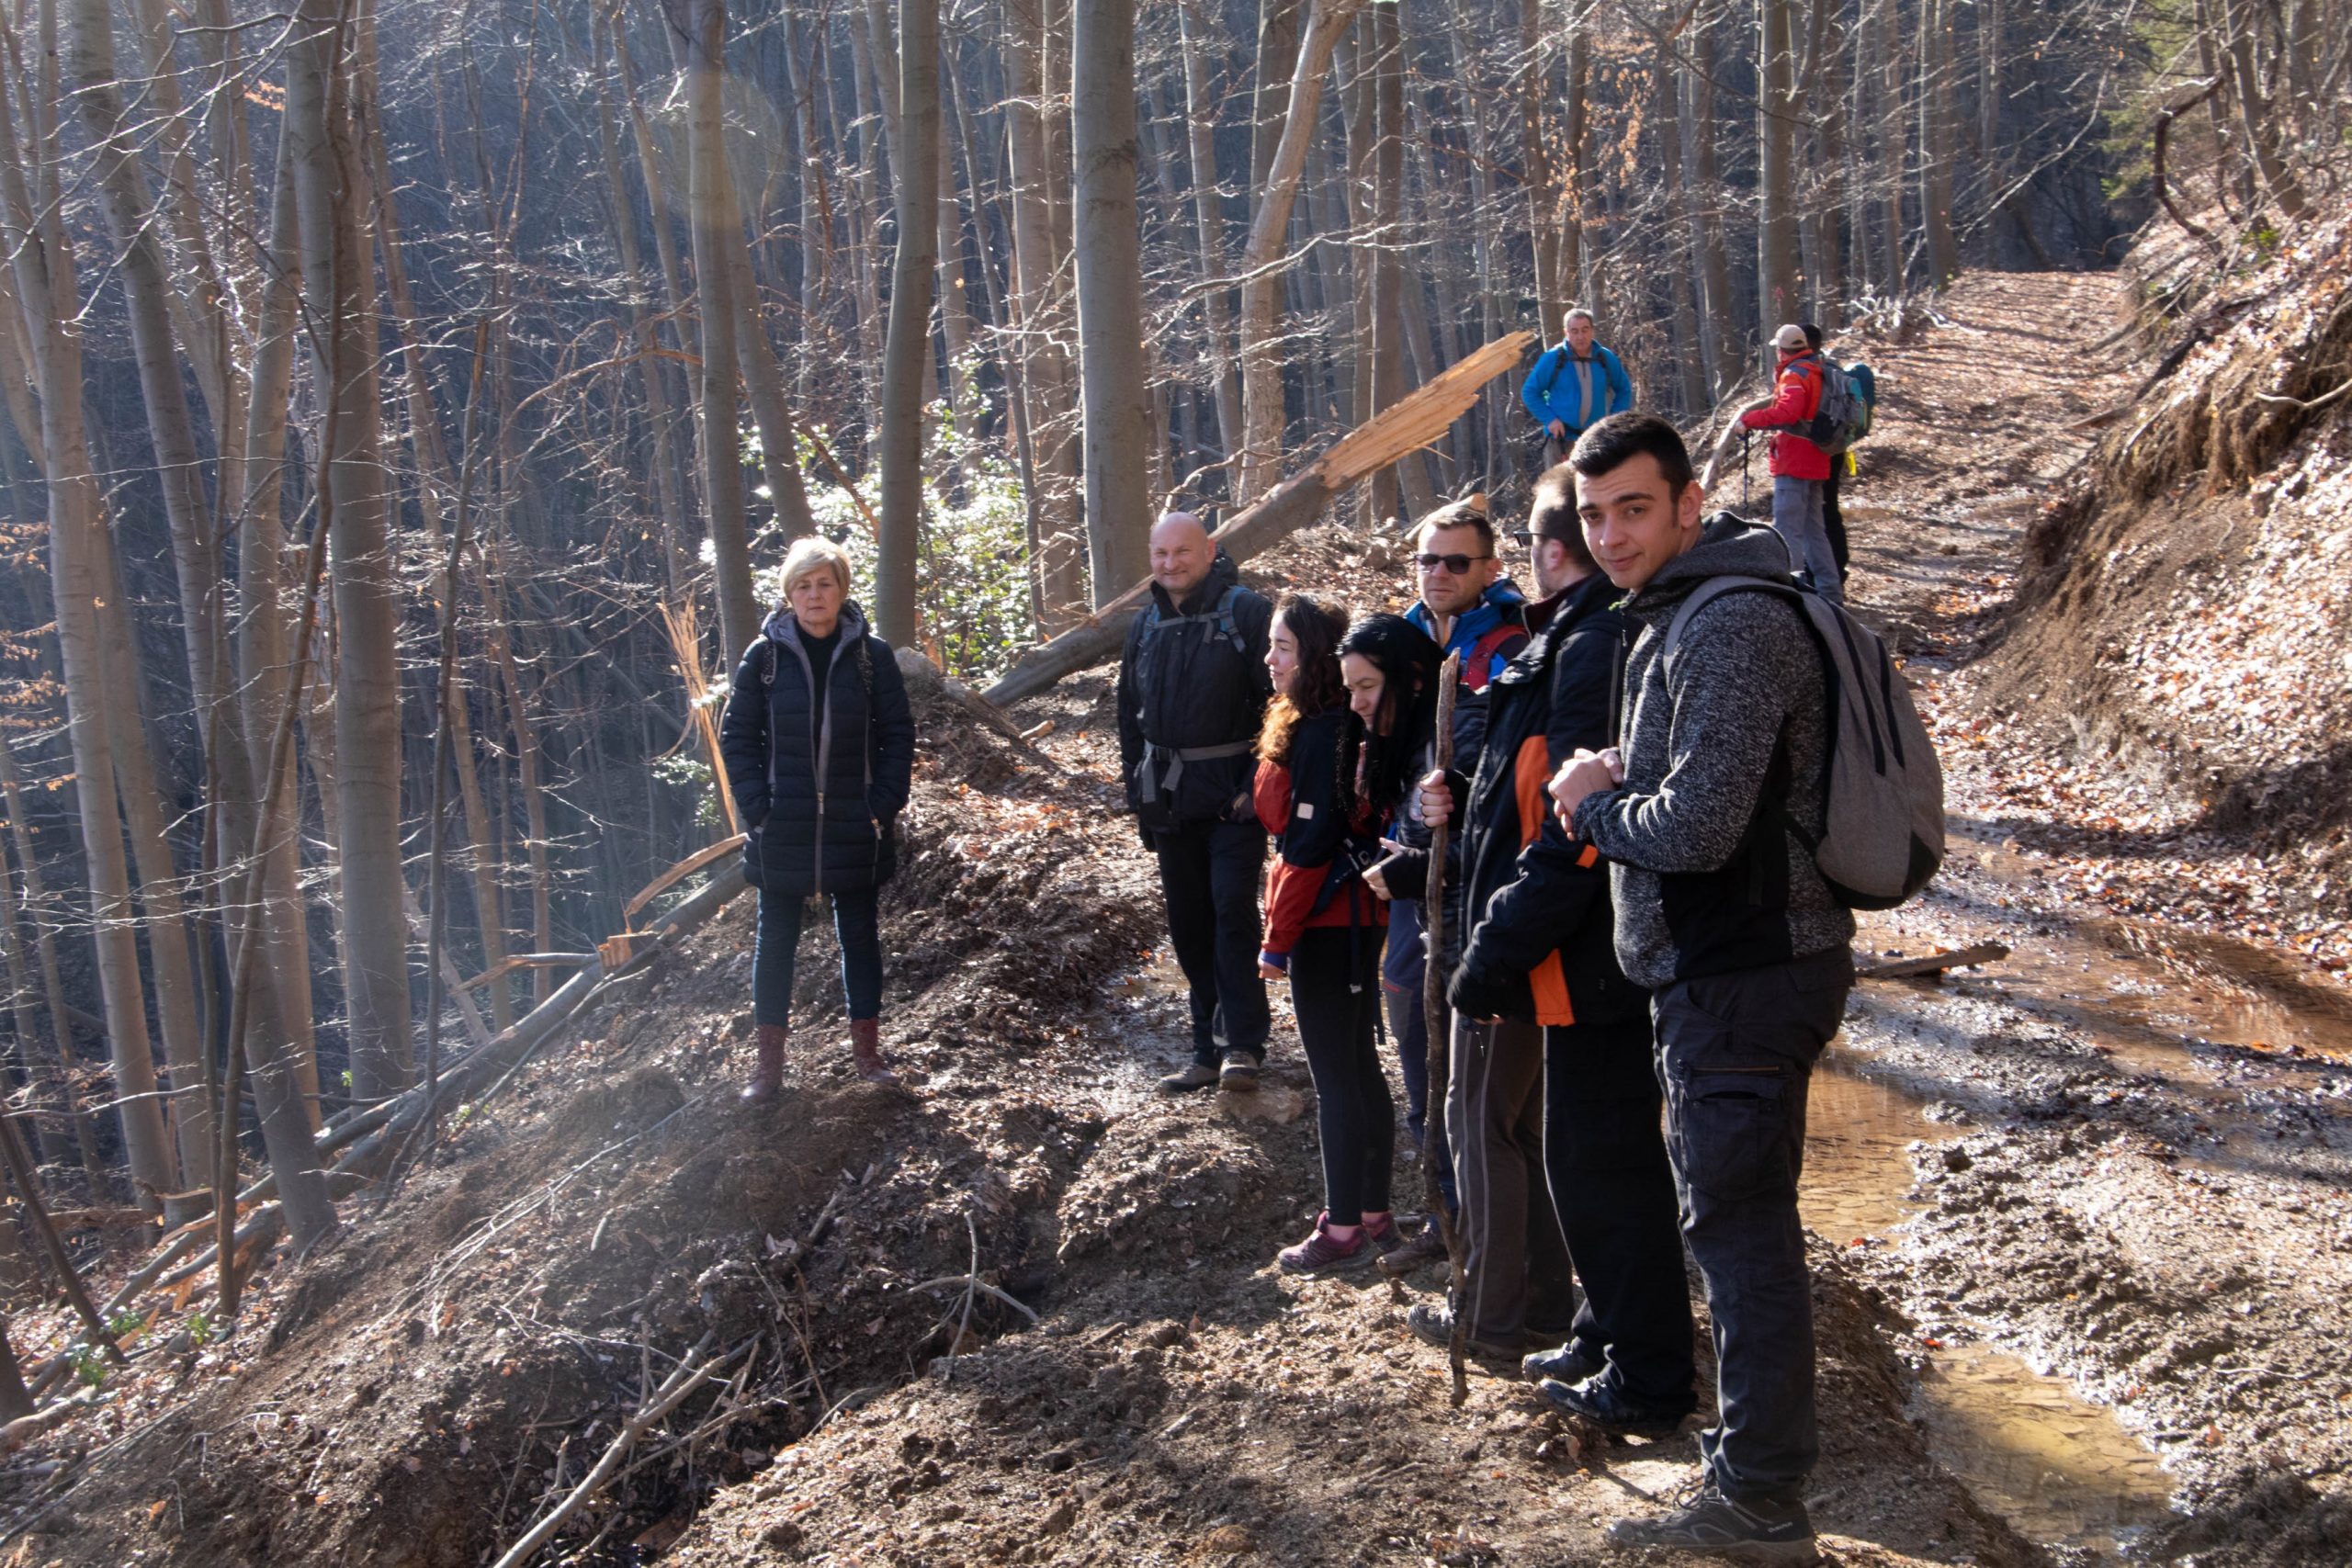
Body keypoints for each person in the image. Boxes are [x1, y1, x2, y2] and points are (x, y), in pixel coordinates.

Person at [1548, 412, 1856, 1559]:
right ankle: (1756, 1479)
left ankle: (1760, 1499)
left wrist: (1590, 807)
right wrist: (1628, 774)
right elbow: (1716, 778)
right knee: (1734, 1225)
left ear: (1688, 505)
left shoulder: (1725, 623)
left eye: (1634, 507)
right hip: (1728, 972)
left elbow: (1700, 823)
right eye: (1593, 515)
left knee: (1739, 1235)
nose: (1611, 534)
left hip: (1745, 976)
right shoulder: (1682, 615)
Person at [1411, 464, 1696, 1401]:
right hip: (1552, 940)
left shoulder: (1590, 647)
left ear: (1542, 551)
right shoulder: (1564, 642)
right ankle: (1589, 1326)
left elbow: (1563, 820)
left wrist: (1494, 946)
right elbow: (1517, 791)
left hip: (1570, 952)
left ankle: (1609, 1353)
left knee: (1572, 1148)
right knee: (1564, 1148)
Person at [1374, 498, 1529, 1272]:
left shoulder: (1512, 644)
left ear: (1490, 569)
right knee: (1412, 1035)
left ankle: (1484, 1229)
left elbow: (1507, 768)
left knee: (1472, 1057)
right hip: (1412, 871)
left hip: (1478, 878)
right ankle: (1445, 1210)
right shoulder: (1402, 643)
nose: (1438, 574)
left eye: (1456, 562)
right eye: (1428, 560)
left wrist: (1455, 798)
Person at [1255, 603, 1431, 1273]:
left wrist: (1277, 938)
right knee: (1358, 1065)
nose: (1270, 659)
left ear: (1315, 655)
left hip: (1332, 919)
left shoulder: (1323, 731)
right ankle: (1374, 1208)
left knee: (1339, 1073)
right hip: (1352, 914)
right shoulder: (1329, 726)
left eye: (1282, 647)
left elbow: (1306, 843)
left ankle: (1344, 1226)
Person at [719, 536, 918, 1096]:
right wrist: (758, 810)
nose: (814, 596)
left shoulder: (871, 657)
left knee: (859, 936)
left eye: (824, 584)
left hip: (856, 824)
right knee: (775, 941)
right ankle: (768, 1070)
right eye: (803, 586)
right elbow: (737, 738)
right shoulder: (763, 659)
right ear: (788, 595)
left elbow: (897, 735)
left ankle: (869, 1059)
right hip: (781, 826)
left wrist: (882, 806)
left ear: (841, 590)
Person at [1119, 513, 1276, 1094]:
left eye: (1182, 552)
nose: (1170, 564)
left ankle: (1243, 1044)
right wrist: (1137, 792)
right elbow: (1128, 715)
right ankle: (1204, 1048)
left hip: (1233, 800)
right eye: (1161, 554)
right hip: (1170, 800)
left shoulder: (1248, 614)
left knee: (1232, 910)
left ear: (1209, 551)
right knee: (1188, 924)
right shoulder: (1144, 625)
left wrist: (1258, 787)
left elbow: (1279, 706)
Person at [1716, 322, 1840, 601]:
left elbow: (1788, 412)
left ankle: (1790, 596)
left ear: (1782, 352)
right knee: (1814, 532)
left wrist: (1747, 421)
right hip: (1817, 457)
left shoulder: (1795, 375)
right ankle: (1831, 593)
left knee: (1787, 532)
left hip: (1795, 461)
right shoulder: (1817, 369)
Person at [1520, 309, 1634, 469]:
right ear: (1566, 333)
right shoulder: (1553, 358)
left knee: (1593, 491)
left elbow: (1624, 389)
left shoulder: (1605, 358)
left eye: (1585, 330)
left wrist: (1613, 421)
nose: (1580, 336)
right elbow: (1530, 392)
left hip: (1595, 439)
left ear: (1592, 330)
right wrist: (1550, 419)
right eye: (1574, 331)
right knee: (1559, 492)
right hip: (1560, 440)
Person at [1802, 322, 1850, 579]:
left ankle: (1819, 572)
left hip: (1814, 450)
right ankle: (1838, 564)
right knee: (1829, 506)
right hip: (1837, 447)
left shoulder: (1808, 373)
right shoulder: (1833, 370)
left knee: (1814, 512)